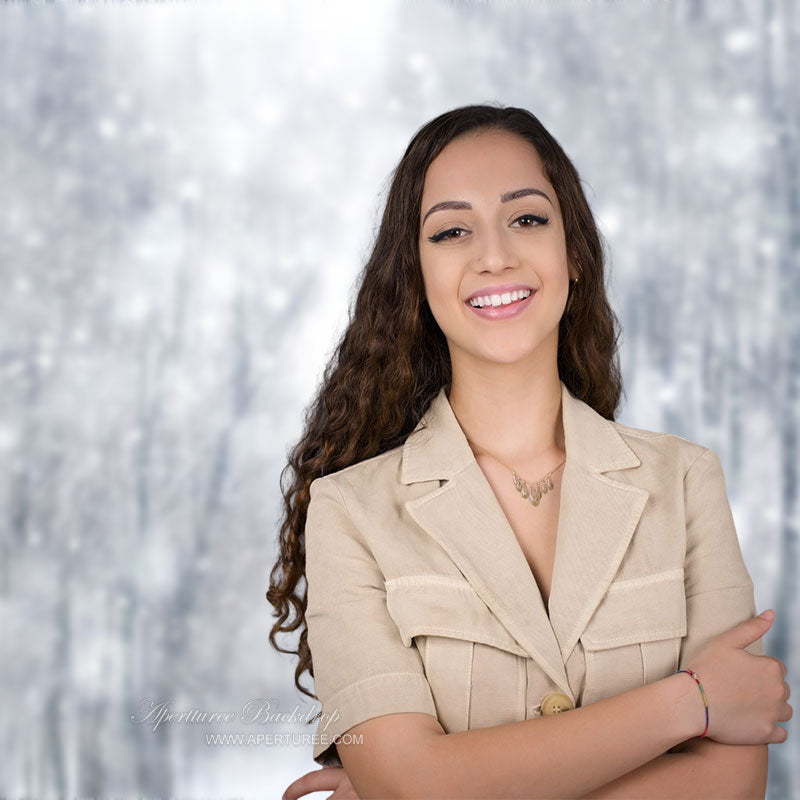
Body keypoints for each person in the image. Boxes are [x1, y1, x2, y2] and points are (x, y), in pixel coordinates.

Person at [268, 104, 792, 800]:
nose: (494, 256)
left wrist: (439, 784)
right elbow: (409, 782)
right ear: (415, 276)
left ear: (573, 254)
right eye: (452, 231)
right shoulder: (348, 511)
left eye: (526, 219)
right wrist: (689, 702)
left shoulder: (687, 481)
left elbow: (731, 786)